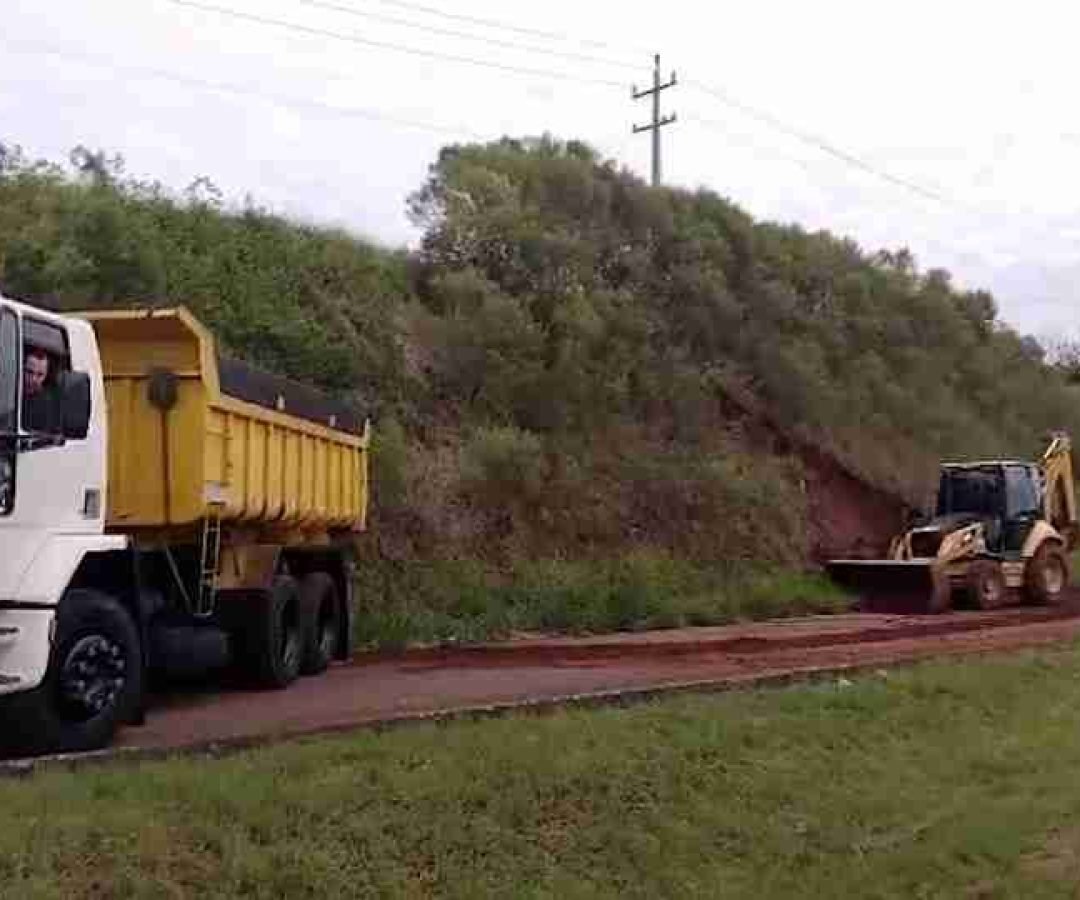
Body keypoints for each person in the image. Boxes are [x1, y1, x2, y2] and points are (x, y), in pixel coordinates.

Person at [22, 346, 58, 433]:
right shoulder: (9, 392)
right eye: (29, 372)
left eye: (40, 375)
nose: (33, 379)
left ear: (46, 376)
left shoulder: (49, 406)